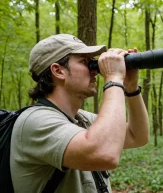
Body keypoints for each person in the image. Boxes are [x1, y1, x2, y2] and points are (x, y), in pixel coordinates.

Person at [10, 34, 150, 192]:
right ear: (58, 70)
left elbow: (137, 136)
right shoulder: (35, 121)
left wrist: (130, 87)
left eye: (92, 63)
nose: (95, 71)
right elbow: (104, 153)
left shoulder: (80, 118)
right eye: (84, 62)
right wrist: (114, 77)